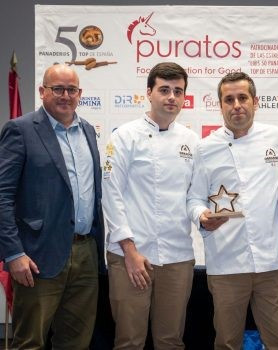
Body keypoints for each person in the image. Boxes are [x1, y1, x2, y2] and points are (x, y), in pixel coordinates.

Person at [0, 64, 105, 349]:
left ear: (80, 93)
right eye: (57, 88)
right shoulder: (20, 130)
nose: (65, 95)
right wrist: (13, 252)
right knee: (30, 341)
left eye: (72, 89)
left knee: (76, 341)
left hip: (85, 253)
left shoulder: (88, 131)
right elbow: (3, 195)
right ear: (42, 91)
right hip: (37, 255)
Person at [187, 72, 278, 350]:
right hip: (226, 262)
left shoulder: (277, 139)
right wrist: (201, 216)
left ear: (255, 101)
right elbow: (194, 198)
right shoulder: (205, 148)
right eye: (229, 99)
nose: (237, 105)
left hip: (272, 262)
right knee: (227, 342)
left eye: (243, 98)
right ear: (220, 105)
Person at [102, 62, 199, 350]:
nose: (171, 97)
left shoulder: (192, 141)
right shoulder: (124, 136)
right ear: (149, 92)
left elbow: (195, 196)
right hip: (131, 255)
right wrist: (130, 251)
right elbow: (111, 193)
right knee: (129, 341)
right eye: (164, 90)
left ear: (184, 97)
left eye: (178, 91)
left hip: (177, 257)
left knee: (171, 341)